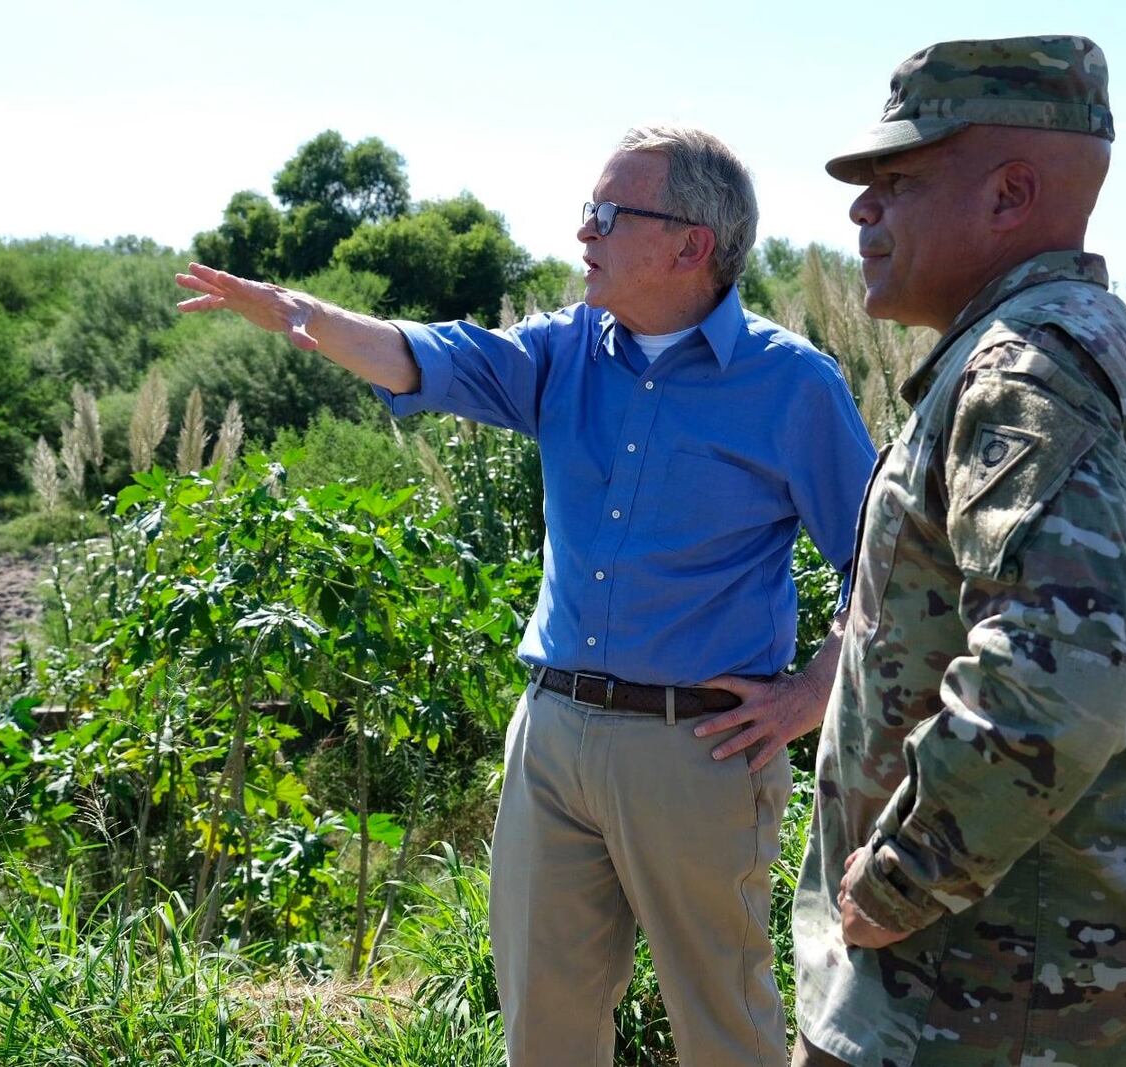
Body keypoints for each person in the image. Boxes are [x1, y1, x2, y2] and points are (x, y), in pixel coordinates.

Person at [177, 125, 876, 1066]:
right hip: (550, 738)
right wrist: (300, 312)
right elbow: (423, 357)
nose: (582, 231)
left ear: (690, 244)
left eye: (608, 213)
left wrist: (809, 695)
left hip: (699, 749)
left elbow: (878, 566)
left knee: (722, 1025)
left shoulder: (792, 384)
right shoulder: (562, 351)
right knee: (543, 1025)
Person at [791, 35, 1126, 1067]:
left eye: (895, 180)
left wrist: (901, 875)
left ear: (1009, 194)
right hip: (1101, 996)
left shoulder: (1019, 375)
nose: (859, 211)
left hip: (964, 1008)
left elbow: (1056, 680)